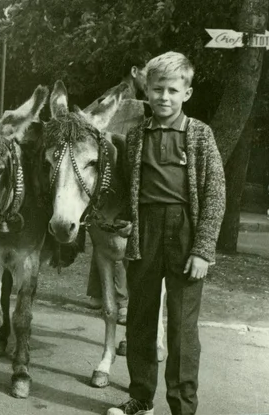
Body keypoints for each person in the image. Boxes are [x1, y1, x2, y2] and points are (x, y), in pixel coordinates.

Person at [107, 51, 225, 415]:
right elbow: (129, 186)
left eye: (173, 90)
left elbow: (215, 194)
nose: (164, 97)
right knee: (141, 319)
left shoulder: (200, 135)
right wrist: (124, 220)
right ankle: (141, 398)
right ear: (146, 87)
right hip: (145, 231)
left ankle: (183, 407)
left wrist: (203, 250)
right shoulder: (135, 135)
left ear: (186, 93)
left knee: (182, 328)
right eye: (157, 88)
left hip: (185, 232)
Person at [85, 51, 151, 323]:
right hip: (115, 176)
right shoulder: (121, 95)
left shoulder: (135, 98)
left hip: (121, 174)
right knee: (115, 237)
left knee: (108, 238)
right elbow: (90, 118)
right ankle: (121, 302)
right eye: (149, 72)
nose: (152, 79)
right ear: (135, 70)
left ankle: (101, 295)